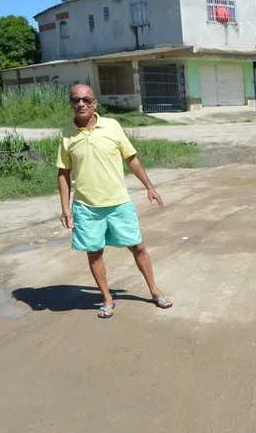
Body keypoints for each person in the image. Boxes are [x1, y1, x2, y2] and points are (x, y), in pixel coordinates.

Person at [57, 84, 172, 319]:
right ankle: (107, 298)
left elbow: (132, 159)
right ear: (71, 103)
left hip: (119, 202)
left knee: (138, 247)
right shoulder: (66, 134)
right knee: (94, 252)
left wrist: (150, 187)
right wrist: (66, 208)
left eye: (86, 100)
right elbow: (63, 173)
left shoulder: (111, 126)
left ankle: (154, 290)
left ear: (94, 103)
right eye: (76, 100)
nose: (81, 104)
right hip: (87, 207)